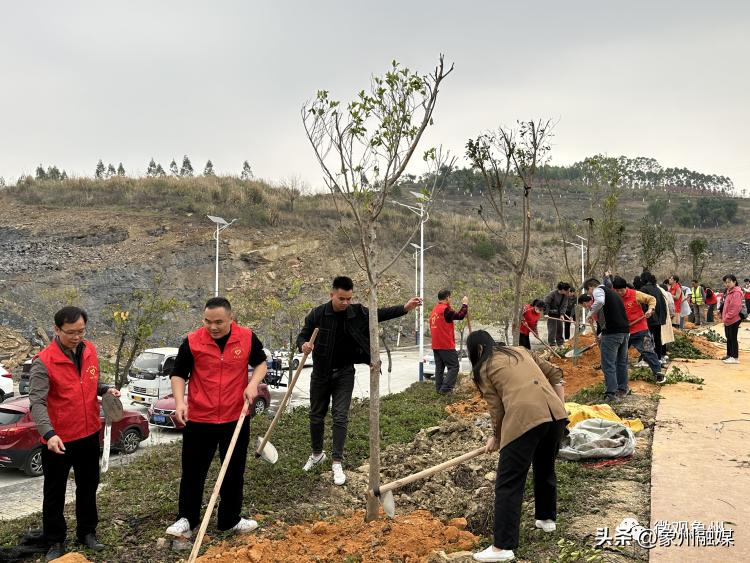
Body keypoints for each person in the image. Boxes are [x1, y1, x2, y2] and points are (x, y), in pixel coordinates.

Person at [296, 276, 421, 485]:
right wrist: (304, 346)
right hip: (320, 373)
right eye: (341, 299)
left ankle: (337, 461)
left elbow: (379, 315)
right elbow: (302, 336)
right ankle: (317, 455)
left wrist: (405, 308)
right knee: (316, 415)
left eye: (348, 299)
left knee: (340, 416)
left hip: (344, 372)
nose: (345, 303)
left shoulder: (356, 312)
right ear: (332, 295)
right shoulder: (318, 314)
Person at [166, 297, 268, 539]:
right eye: (208, 321)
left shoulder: (246, 337)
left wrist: (253, 384)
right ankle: (186, 520)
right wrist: (181, 402)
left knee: (233, 471)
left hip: (235, 416)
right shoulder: (192, 341)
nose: (213, 327)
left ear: (231, 319)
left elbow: (261, 363)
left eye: (219, 322)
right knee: (193, 471)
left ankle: (230, 519)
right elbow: (178, 374)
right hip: (201, 418)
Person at [467, 330, 568, 563]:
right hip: (555, 417)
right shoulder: (520, 350)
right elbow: (556, 375)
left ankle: (502, 547)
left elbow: (497, 408)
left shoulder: (483, 367)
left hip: (526, 419)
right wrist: (561, 410)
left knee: (508, 482)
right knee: (544, 467)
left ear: (478, 350)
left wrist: (497, 436)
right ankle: (546, 519)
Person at [29, 306, 120, 561]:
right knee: (55, 492)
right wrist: (49, 434)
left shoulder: (89, 350)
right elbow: (37, 402)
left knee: (89, 486)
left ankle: (87, 532)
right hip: (58, 439)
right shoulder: (43, 362)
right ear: (57, 330)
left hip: (89, 433)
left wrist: (105, 390)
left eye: (81, 331)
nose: (77, 337)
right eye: (71, 332)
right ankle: (55, 540)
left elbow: (89, 383)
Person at [580, 277, 630, 402]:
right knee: (621, 362)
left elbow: (600, 301)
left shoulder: (598, 290)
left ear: (591, 287)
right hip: (623, 332)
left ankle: (611, 393)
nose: (590, 295)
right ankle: (622, 389)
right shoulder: (613, 292)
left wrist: (590, 313)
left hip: (613, 333)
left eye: (588, 291)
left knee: (608, 364)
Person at [611, 277, 665, 384]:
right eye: (617, 291)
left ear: (625, 288)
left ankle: (658, 373)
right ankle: (618, 379)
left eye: (621, 290)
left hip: (640, 329)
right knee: (618, 355)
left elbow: (651, 299)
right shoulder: (612, 296)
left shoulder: (635, 294)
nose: (619, 293)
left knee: (648, 351)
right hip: (623, 331)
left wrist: (650, 309)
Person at [428, 289, 469, 394]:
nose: (450, 299)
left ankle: (439, 390)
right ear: (447, 297)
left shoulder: (435, 310)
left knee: (439, 368)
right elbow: (460, 316)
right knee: (454, 367)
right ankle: (445, 390)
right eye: (450, 297)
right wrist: (465, 304)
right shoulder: (444, 310)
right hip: (445, 344)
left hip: (436, 345)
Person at [639, 273, 668, 362]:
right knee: (657, 338)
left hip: (650, 317)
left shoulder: (644, 289)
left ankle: (646, 359)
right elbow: (663, 304)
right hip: (658, 318)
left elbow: (643, 305)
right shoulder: (657, 289)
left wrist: (644, 315)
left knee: (647, 338)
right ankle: (658, 358)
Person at [721, 275, 743, 364]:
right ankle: (729, 354)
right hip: (728, 320)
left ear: (734, 282)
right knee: (728, 337)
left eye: (729, 282)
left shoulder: (736, 292)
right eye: (725, 282)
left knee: (733, 338)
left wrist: (727, 317)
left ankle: (735, 357)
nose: (727, 284)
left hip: (734, 319)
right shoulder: (729, 291)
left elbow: (735, 308)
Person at [544, 282, 571, 347]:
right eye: (567, 290)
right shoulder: (552, 294)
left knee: (560, 328)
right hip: (551, 313)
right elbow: (546, 303)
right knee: (552, 329)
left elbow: (564, 305)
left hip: (559, 314)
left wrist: (562, 314)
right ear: (562, 290)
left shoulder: (566, 296)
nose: (568, 292)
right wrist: (546, 313)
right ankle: (552, 344)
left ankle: (560, 343)